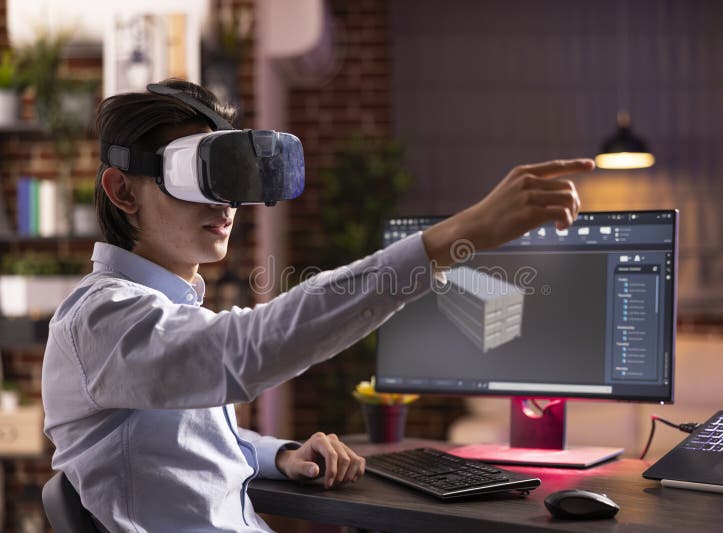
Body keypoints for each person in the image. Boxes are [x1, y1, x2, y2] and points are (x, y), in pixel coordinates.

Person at [42, 78, 593, 532]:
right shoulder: (102, 320)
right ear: (123, 191)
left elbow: (184, 440)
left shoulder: (165, 317)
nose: (227, 204)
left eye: (231, 178)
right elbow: (248, 350)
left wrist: (277, 453)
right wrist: (451, 238)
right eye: (197, 176)